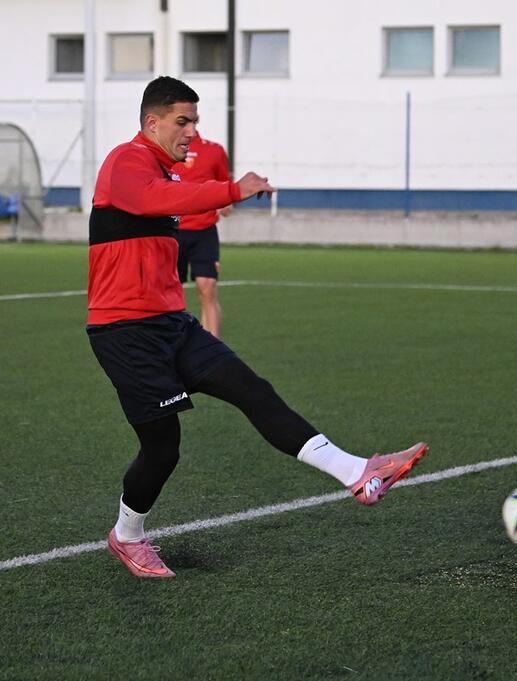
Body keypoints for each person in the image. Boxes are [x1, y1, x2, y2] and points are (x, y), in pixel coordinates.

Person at [88, 76, 427, 579]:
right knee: (162, 446)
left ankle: (359, 473)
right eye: (182, 121)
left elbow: (165, 206)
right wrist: (231, 189)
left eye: (195, 121)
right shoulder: (126, 161)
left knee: (252, 390)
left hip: (171, 324)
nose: (191, 132)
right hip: (125, 332)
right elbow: (153, 199)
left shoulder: (167, 173)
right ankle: (128, 536)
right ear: (151, 122)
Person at [172, 132, 231, 337]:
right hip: (172, 232)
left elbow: (225, 184)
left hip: (204, 231)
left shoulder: (213, 150)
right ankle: (170, 344)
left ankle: (213, 348)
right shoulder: (164, 150)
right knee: (169, 294)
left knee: (207, 288)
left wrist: (226, 201)